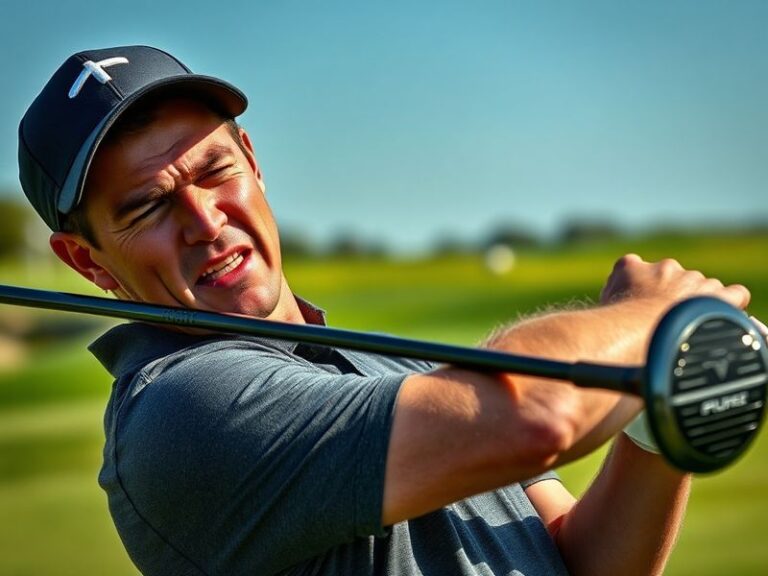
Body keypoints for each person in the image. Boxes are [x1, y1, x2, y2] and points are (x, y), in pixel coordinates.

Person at [17, 45, 758, 576]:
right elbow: (536, 416)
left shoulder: (386, 366)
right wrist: (659, 322)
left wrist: (658, 432)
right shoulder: (182, 412)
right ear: (86, 262)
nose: (205, 220)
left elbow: (581, 556)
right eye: (148, 205)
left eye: (215, 169)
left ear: (253, 159)